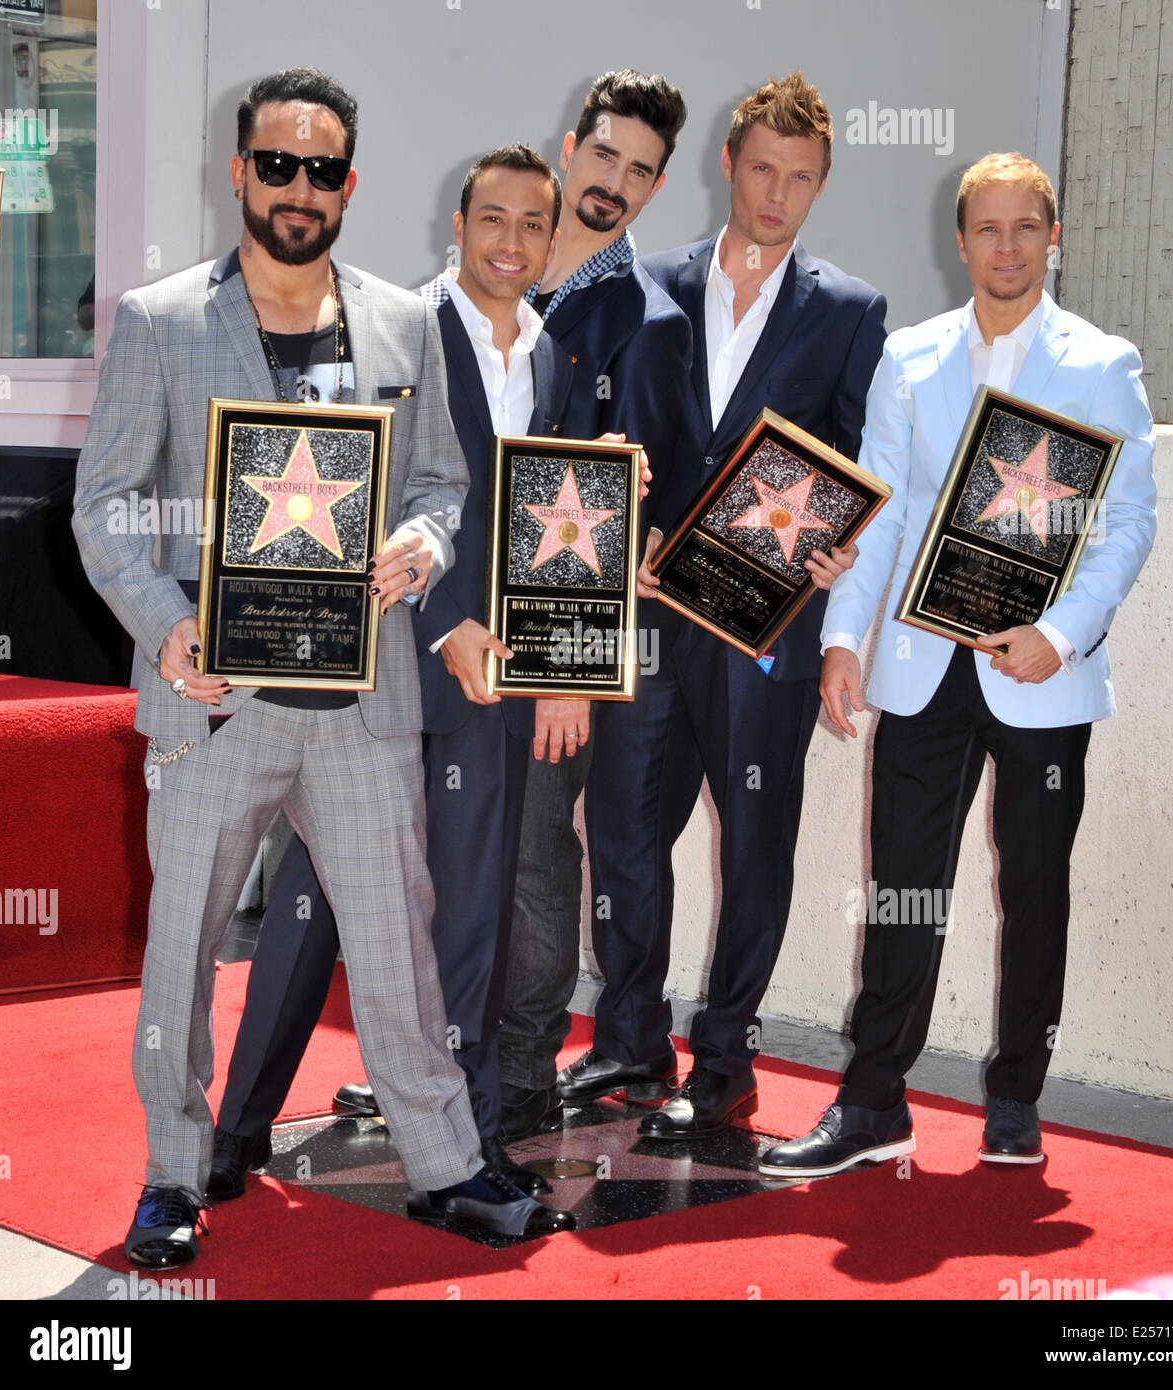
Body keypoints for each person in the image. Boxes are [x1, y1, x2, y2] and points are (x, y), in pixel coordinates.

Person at [72, 69, 571, 1268]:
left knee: (398, 947)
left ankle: (447, 1165)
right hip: (213, 698)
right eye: (277, 165)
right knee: (184, 949)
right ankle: (171, 1176)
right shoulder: (159, 320)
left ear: (349, 183)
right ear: (239, 172)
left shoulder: (406, 322)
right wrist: (165, 622)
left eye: (322, 169)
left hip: (361, 703)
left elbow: (446, 481)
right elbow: (103, 511)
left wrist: (428, 535)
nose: (299, 189)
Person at [207, 144, 595, 1199]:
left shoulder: (552, 356)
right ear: (456, 224)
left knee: (464, 916)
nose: (511, 241)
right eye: (493, 219)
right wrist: (444, 621)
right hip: (389, 667)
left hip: (494, 691)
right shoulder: (382, 331)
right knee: (305, 906)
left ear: (552, 240)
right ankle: (236, 1126)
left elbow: (533, 516)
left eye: (532, 225)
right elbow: (338, 492)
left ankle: (456, 1148)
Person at [758, 152, 1157, 1178]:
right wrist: (843, 639)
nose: (1007, 247)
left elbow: (1124, 526)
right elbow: (877, 513)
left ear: (1050, 235)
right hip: (920, 667)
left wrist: (1057, 635)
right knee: (903, 889)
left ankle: (1015, 1093)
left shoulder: (1100, 364)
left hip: (1039, 676)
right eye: (988, 228)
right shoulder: (910, 356)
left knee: (1034, 889)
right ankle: (871, 1099)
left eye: (1026, 228)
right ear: (960, 238)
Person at [560, 72, 887, 1139]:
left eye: (799, 179)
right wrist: (621, 508)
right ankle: (627, 1038)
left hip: (763, 632)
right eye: (761, 170)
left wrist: (834, 545)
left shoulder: (847, 311)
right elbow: (600, 437)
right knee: (621, 826)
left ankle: (728, 1054)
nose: (776, 194)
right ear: (727, 165)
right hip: (651, 614)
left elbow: (850, 458)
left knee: (754, 839)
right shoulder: (643, 286)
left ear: (821, 185)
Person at [494, 70, 694, 1144]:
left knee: (568, 844)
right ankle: (450, 1052)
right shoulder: (496, 272)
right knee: (464, 842)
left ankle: (572, 1057)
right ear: (569, 144)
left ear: (658, 185)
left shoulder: (645, 319)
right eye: (604, 154)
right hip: (466, 621)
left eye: (639, 168)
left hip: (573, 631)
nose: (614, 180)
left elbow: (631, 502)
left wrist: (570, 659)